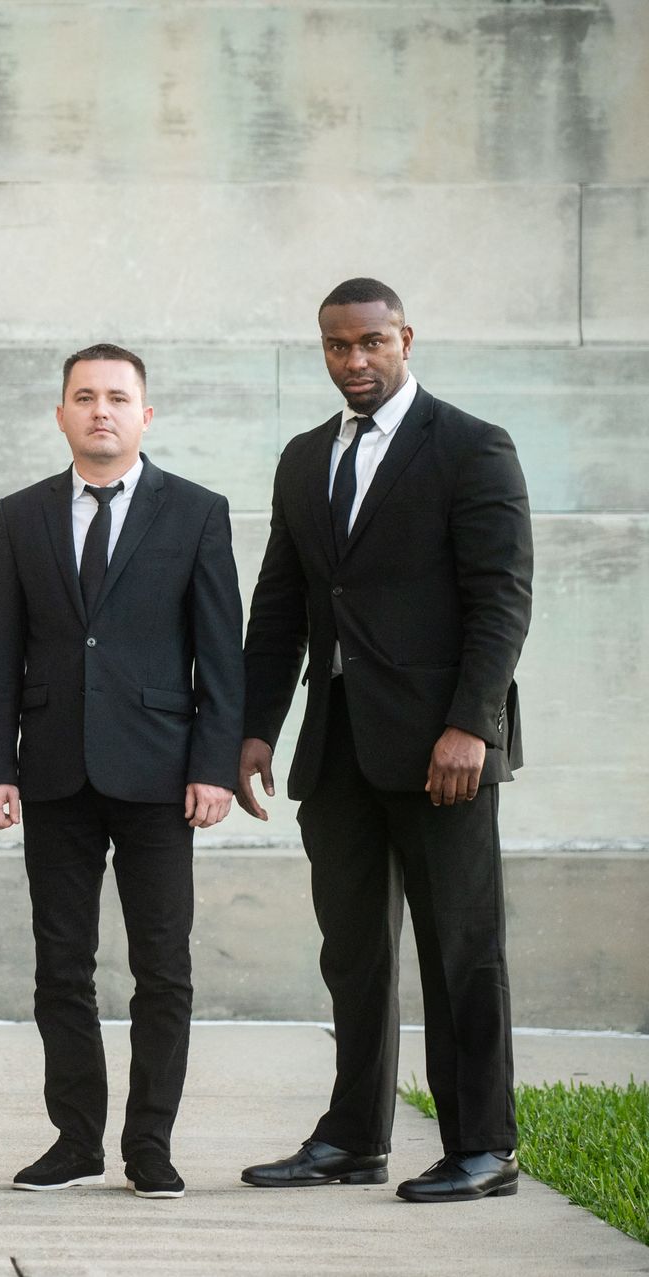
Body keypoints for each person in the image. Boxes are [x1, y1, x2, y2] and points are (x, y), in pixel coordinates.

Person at [237, 279, 533, 1204]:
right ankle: (354, 1136)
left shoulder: (472, 446)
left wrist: (468, 725)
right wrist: (253, 728)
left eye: (370, 343)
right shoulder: (302, 458)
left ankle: (484, 1145)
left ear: (405, 337)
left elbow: (502, 600)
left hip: (445, 751)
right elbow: (281, 605)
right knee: (353, 952)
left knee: (461, 949)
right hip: (338, 751)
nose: (354, 362)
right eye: (336, 346)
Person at [0, 344, 243, 1200]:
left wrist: (215, 767)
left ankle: (151, 1143)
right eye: (83, 397)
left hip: (162, 776)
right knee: (63, 964)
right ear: (60, 414)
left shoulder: (196, 512)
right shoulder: (22, 516)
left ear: (145, 415)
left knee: (163, 968)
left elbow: (220, 656)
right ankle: (75, 1138)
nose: (101, 410)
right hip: (53, 772)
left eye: (118, 397)